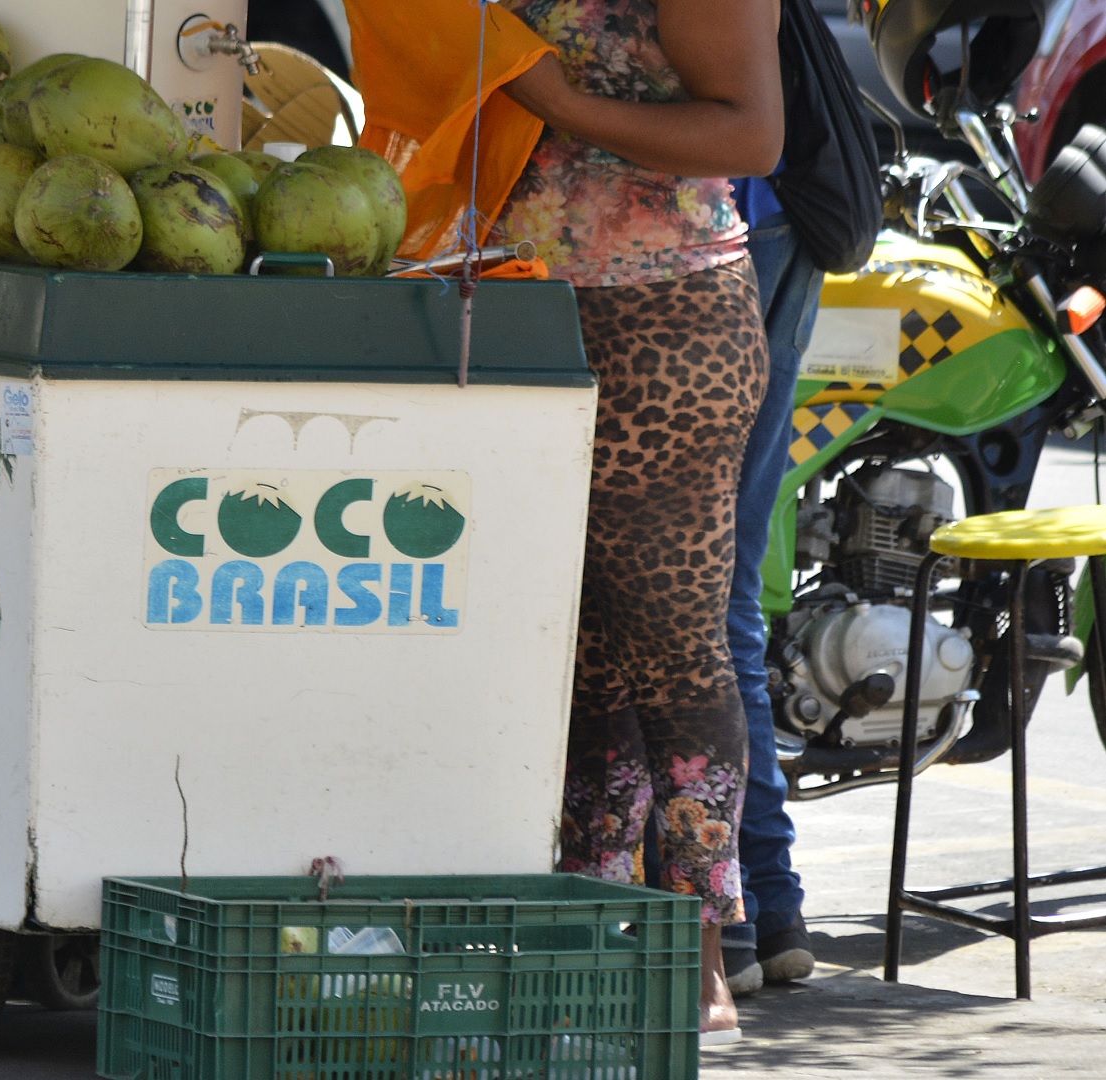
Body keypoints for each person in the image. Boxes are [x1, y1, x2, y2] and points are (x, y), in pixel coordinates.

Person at [496, 0, 783, 1044]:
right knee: (572, 657)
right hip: (511, 308)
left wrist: (559, 100)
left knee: (668, 648)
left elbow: (752, 132)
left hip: (657, 320)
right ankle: (584, 938)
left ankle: (698, 950)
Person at [720, 174, 822, 997]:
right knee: (724, 602)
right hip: (769, 213)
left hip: (699, 238)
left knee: (692, 603)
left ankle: (729, 919)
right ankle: (765, 911)